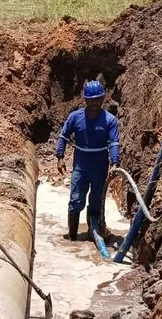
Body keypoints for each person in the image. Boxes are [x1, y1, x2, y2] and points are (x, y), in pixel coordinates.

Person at [56, 80, 120, 241]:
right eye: (91, 99)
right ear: (85, 99)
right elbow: (63, 136)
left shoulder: (109, 120)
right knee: (76, 200)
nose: (95, 103)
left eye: (98, 99)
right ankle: (72, 237)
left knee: (96, 201)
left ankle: (93, 234)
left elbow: (114, 143)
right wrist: (60, 157)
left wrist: (115, 163)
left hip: (100, 168)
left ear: (103, 98)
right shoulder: (75, 117)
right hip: (81, 167)